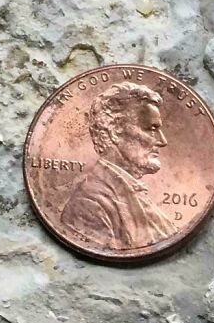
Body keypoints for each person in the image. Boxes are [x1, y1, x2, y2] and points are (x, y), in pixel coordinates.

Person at [61, 82, 176, 250]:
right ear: (114, 131)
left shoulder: (130, 192)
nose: (162, 141)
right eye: (151, 129)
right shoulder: (89, 205)